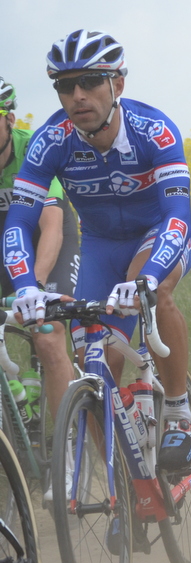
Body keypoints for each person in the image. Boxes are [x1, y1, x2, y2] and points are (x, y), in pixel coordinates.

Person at [3, 30, 191, 477]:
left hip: (157, 237)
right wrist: (25, 286)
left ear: (118, 85)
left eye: (90, 81)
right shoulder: (51, 140)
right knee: (95, 371)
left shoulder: (156, 130)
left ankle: (180, 414)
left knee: (156, 293)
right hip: (99, 248)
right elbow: (18, 221)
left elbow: (177, 215)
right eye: (65, 86)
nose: (77, 95)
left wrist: (147, 278)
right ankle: (122, 483)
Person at [0, 77, 80, 495]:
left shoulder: (34, 148)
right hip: (4, 243)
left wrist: (37, 286)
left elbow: (50, 225)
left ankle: (67, 453)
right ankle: (16, 392)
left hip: (48, 237)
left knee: (49, 336)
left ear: (9, 119)